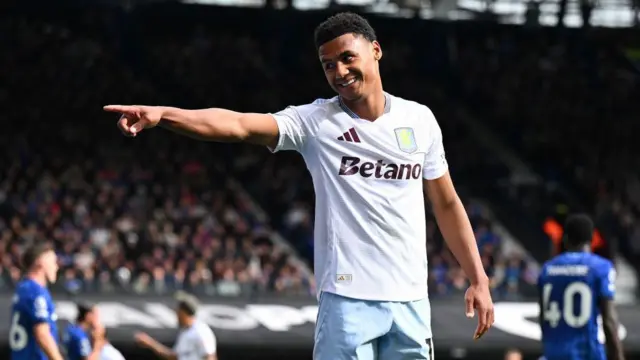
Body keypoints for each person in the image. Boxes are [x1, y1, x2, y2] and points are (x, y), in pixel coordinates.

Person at [104, 12, 494, 360]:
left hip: (411, 300)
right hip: (347, 299)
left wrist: (477, 278)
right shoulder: (316, 123)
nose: (339, 71)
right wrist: (163, 114)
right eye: (328, 65)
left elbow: (446, 203)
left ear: (376, 50)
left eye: (347, 57)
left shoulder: (420, 119)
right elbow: (239, 125)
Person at [538, 214, 625, 360]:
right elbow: (609, 321)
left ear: (565, 239)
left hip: (552, 355)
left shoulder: (547, 269)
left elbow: (543, 319)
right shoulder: (600, 267)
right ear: (592, 240)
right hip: (586, 354)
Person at [10, 242, 64, 360]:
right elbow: (42, 333)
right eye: (54, 261)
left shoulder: (24, 288)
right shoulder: (35, 290)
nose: (57, 266)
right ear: (41, 261)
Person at [134, 291, 217, 360]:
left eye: (178, 309)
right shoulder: (185, 332)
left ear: (183, 312)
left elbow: (210, 357)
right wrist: (150, 343)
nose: (175, 312)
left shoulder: (201, 331)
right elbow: (173, 357)